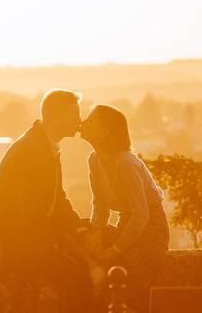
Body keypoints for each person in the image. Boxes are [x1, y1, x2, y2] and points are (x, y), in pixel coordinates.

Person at [0, 88, 94, 311]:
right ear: (57, 117)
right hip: (20, 245)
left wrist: (78, 228)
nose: (79, 121)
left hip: (26, 239)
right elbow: (33, 211)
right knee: (80, 277)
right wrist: (64, 242)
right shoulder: (34, 151)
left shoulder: (42, 145)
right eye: (74, 116)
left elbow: (57, 199)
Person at [80, 104, 170, 307]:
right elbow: (101, 205)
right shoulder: (94, 160)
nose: (83, 122)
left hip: (150, 228)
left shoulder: (125, 163)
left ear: (105, 131)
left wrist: (114, 250)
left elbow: (141, 215)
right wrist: (97, 232)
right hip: (126, 223)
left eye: (91, 120)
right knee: (82, 233)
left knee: (127, 276)